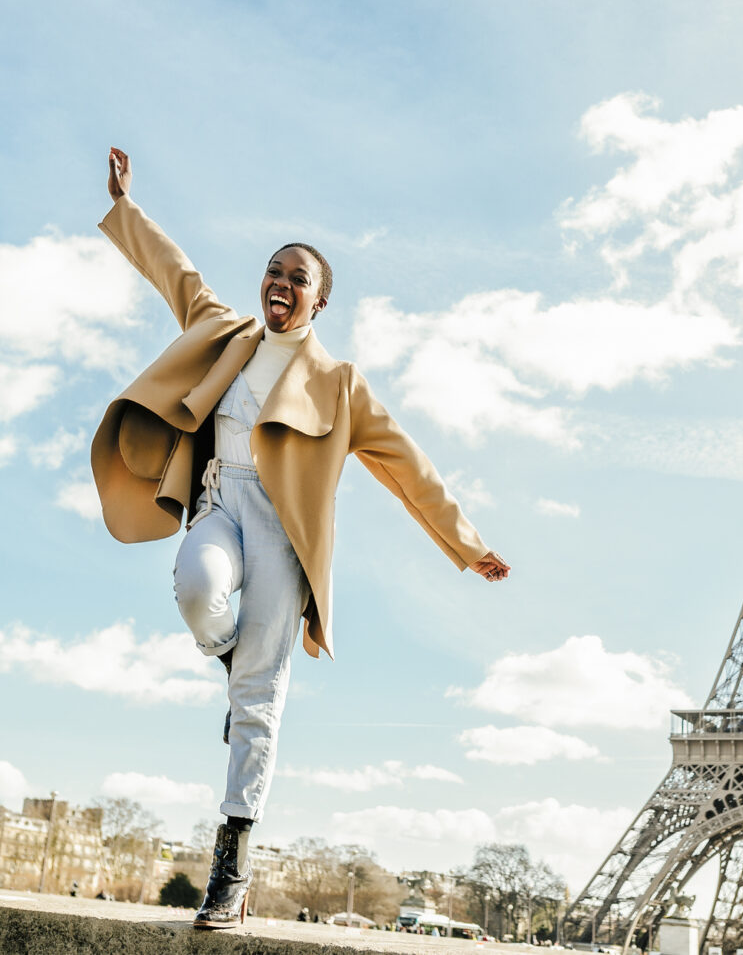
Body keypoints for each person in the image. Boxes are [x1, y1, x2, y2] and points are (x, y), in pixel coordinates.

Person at [91, 148, 510, 929]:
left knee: (261, 702)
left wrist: (464, 542)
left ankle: (233, 862)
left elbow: (407, 465)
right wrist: (125, 206)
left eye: (297, 280)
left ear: (319, 302)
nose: (279, 286)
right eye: (273, 273)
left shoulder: (340, 384)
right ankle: (225, 655)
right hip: (220, 503)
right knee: (194, 589)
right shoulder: (224, 332)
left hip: (285, 536)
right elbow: (173, 272)